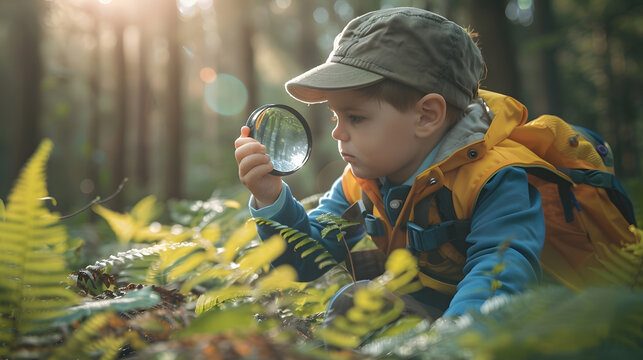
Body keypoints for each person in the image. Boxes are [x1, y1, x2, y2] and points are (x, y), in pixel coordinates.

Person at [234, 7, 546, 318]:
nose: (337, 132)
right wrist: (270, 197)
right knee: (354, 306)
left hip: (523, 324)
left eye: (356, 117)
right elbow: (305, 259)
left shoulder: (495, 180)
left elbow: (498, 277)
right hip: (433, 315)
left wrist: (449, 344)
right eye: (335, 115)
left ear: (427, 116)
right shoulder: (360, 183)